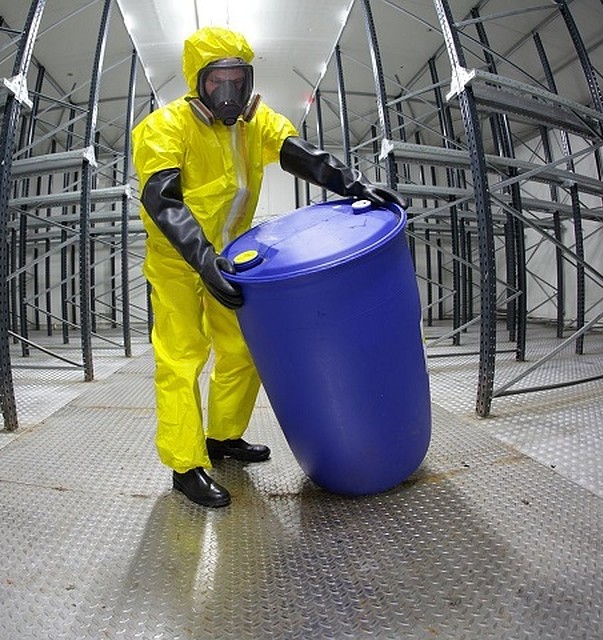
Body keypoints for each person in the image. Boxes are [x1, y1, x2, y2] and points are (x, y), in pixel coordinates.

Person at [132, 26, 403, 508]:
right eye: (218, 81)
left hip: (231, 256)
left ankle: (222, 439)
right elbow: (164, 201)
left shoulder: (254, 125)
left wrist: (353, 185)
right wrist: (202, 261)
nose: (230, 92)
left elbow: (301, 155)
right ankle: (185, 464)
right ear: (198, 81)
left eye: (239, 79)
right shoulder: (165, 126)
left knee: (241, 348)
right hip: (178, 261)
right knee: (181, 358)